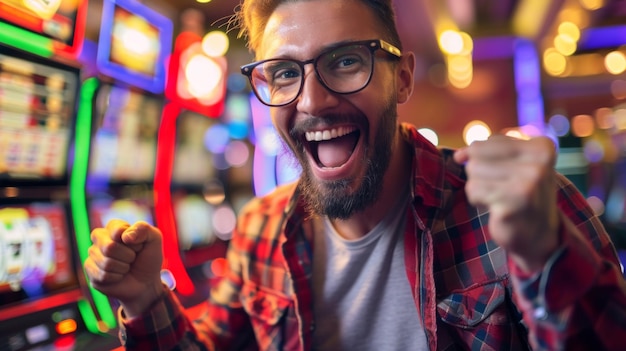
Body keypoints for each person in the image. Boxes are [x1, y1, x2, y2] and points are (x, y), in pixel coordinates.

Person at [84, 0, 626, 350]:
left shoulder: (529, 211)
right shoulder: (258, 230)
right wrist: (145, 300)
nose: (313, 101)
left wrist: (546, 256)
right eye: (284, 74)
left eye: (346, 61)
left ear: (404, 79)